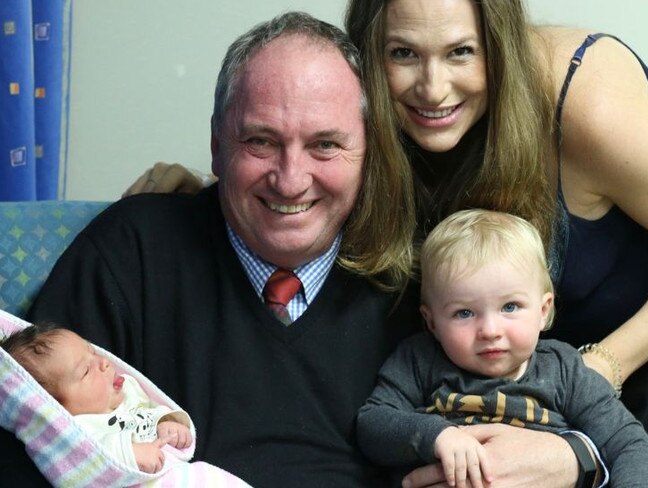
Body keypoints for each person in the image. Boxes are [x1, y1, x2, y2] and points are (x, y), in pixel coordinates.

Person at [2, 11, 597, 488]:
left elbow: (551, 399)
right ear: (216, 146)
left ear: (370, 151)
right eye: (261, 141)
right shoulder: (131, 251)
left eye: (325, 145)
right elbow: (22, 442)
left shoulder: (432, 271)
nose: (290, 179)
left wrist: (576, 458)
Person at [129, 0, 648, 437]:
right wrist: (215, 187)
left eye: (461, 52)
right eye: (403, 53)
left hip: (616, 397)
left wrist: (601, 370)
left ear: (499, 41)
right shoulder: (389, 121)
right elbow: (305, 169)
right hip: (516, 406)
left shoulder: (585, 100)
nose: (432, 88)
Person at [357, 209, 648, 488]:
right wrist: (435, 435)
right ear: (431, 322)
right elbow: (372, 424)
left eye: (510, 307)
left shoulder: (564, 370)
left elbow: (627, 442)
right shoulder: (420, 360)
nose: (490, 331)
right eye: (464, 313)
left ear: (544, 310)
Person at [1, 323, 252, 485]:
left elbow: (150, 413)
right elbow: (88, 467)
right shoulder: (76, 433)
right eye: (86, 371)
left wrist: (167, 423)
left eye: (93, 352)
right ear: (55, 406)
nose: (104, 363)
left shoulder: (128, 393)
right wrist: (130, 454)